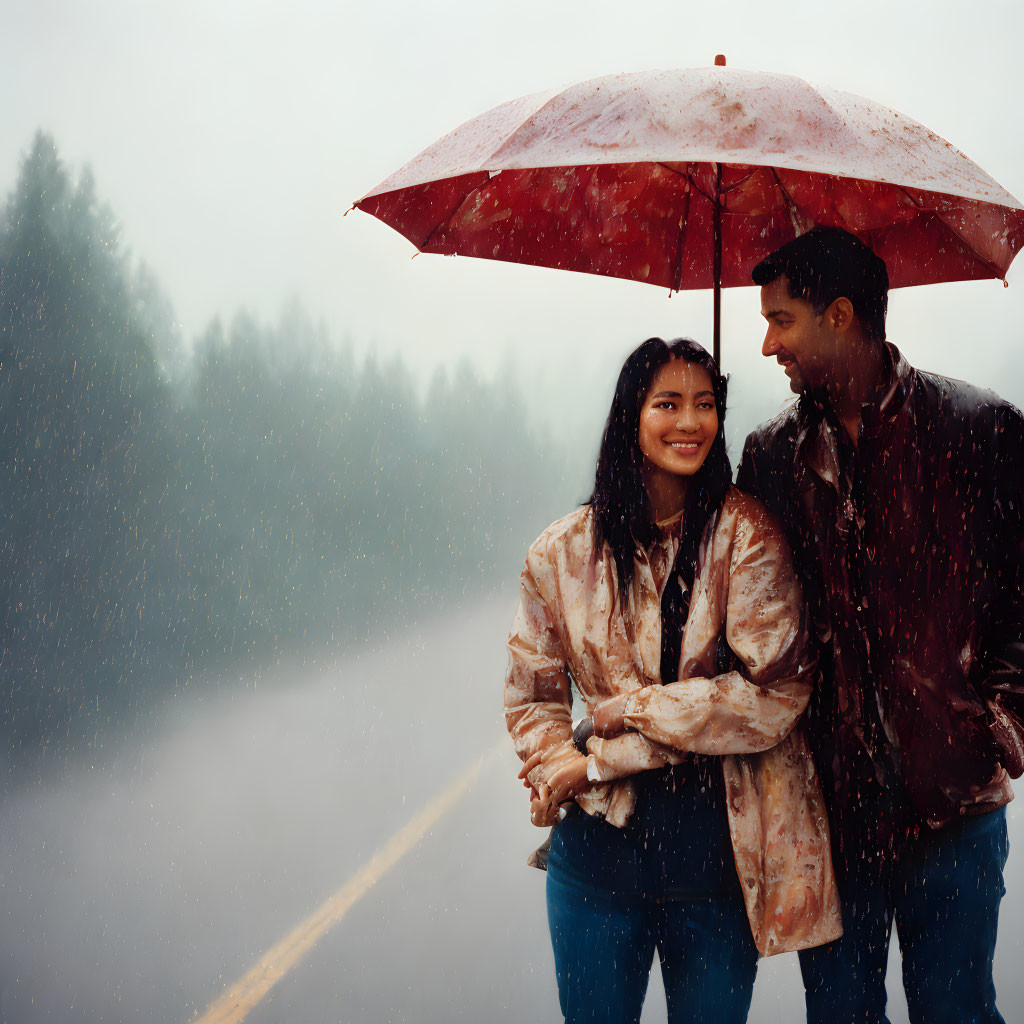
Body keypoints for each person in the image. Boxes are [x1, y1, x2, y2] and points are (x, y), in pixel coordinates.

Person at [505, 337, 841, 1024]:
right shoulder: (561, 552)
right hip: (595, 867)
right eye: (668, 404)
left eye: (705, 404)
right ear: (631, 415)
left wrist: (611, 743)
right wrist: (556, 759)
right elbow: (534, 693)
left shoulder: (745, 537)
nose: (689, 423)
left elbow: (776, 696)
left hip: (714, 868)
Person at [737, 226, 1024, 1024]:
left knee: (957, 1011)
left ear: (839, 314)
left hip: (954, 806)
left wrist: (1001, 717)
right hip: (828, 813)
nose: (767, 345)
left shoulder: (978, 430)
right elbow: (745, 623)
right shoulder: (768, 457)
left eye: (781, 320)